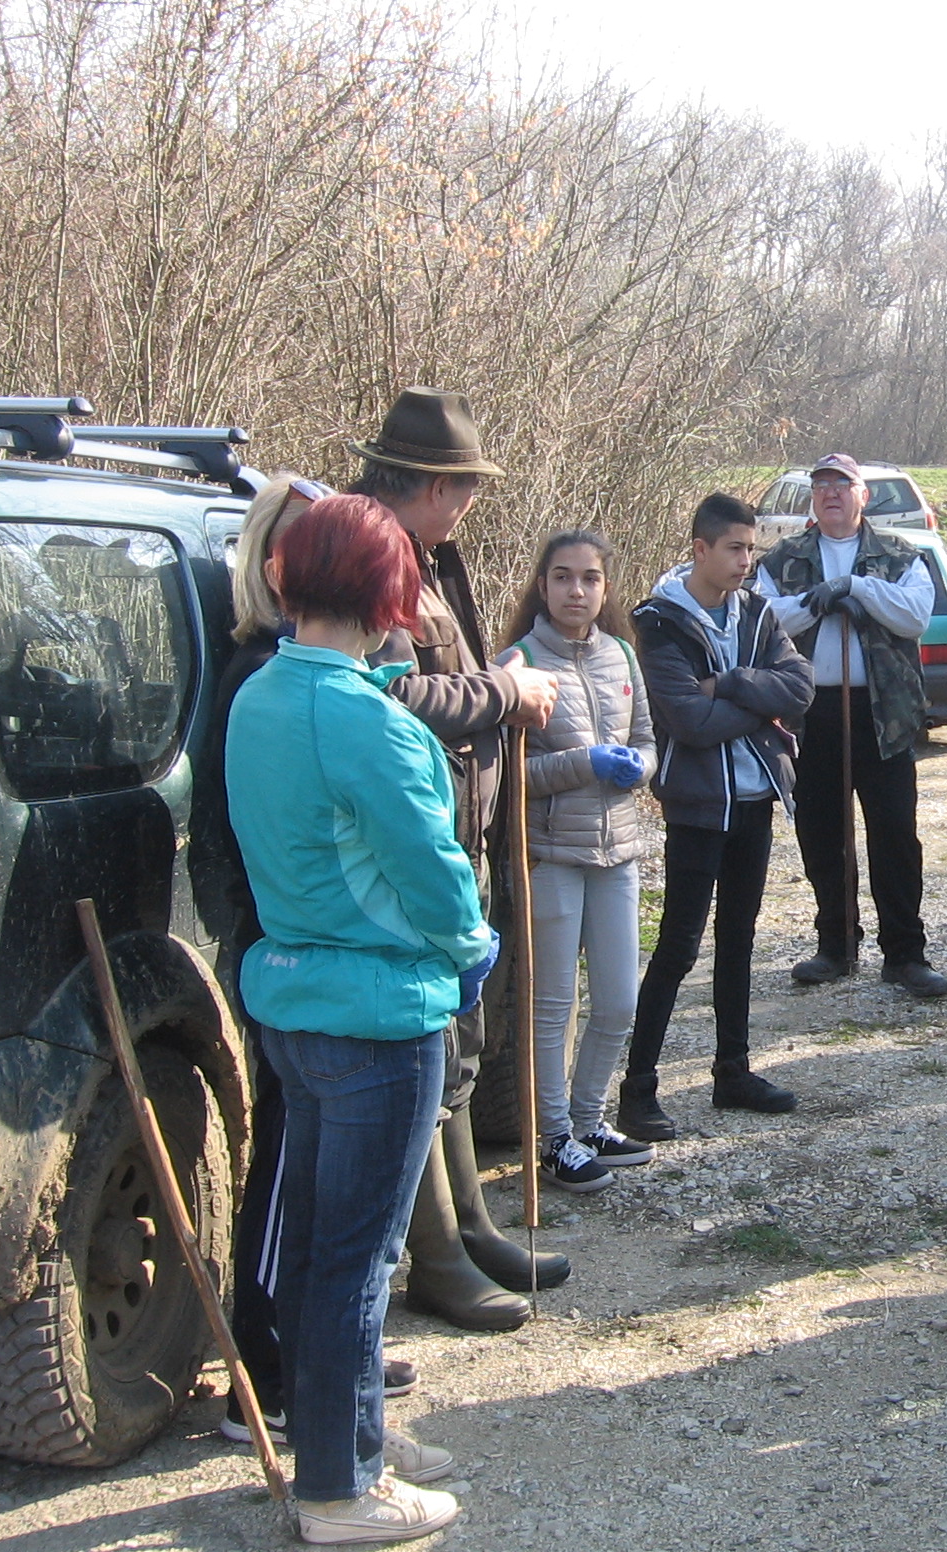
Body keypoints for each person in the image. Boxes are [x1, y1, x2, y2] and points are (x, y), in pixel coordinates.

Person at [226, 491, 489, 1543]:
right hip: (378, 1015)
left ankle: (348, 1438)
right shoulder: (367, 723)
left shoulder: (261, 695)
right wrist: (472, 947)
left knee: (323, 1249)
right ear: (391, 593)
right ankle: (341, 1487)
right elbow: (432, 871)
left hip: (293, 994)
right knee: (357, 1258)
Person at [189, 474, 424, 1446]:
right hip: (293, 950)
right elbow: (245, 837)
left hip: (306, 947)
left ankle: (331, 1367)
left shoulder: (293, 675)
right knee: (293, 1183)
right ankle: (273, 1368)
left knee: (329, 1205)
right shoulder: (265, 676)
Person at [347, 388, 566, 1332]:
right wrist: (505, 691)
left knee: (463, 1045)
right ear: (432, 485)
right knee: (432, 1051)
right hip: (412, 848)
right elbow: (398, 700)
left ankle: (468, 1223)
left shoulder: (430, 558)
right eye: (467, 487)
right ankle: (434, 1260)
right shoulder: (371, 563)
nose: (472, 503)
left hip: (458, 838)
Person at [621, 493, 815, 1138]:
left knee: (739, 938)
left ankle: (732, 1071)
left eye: (751, 548)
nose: (746, 560)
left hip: (755, 799)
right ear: (699, 549)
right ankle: (638, 1089)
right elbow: (690, 723)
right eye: (734, 548)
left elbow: (802, 687)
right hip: (698, 807)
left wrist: (730, 683)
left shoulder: (758, 613)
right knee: (678, 943)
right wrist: (760, 700)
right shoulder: (659, 624)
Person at [497, 530, 658, 1195]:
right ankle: (554, 1137)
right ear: (543, 586)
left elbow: (648, 739)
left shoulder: (622, 655)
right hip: (551, 854)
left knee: (619, 1000)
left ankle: (591, 1122)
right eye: (562, 578)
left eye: (589, 579)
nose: (576, 591)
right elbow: (509, 774)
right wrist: (582, 764)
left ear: (605, 589)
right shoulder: (520, 661)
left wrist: (637, 768)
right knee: (554, 1004)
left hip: (616, 849)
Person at [755, 453, 947, 999]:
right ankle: (836, 945)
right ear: (812, 498)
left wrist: (858, 589)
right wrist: (817, 602)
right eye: (821, 487)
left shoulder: (898, 553)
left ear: (863, 494)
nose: (831, 494)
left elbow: (914, 616)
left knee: (894, 834)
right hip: (809, 713)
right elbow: (765, 621)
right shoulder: (783, 558)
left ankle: (906, 954)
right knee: (822, 834)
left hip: (882, 715)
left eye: (842, 485)